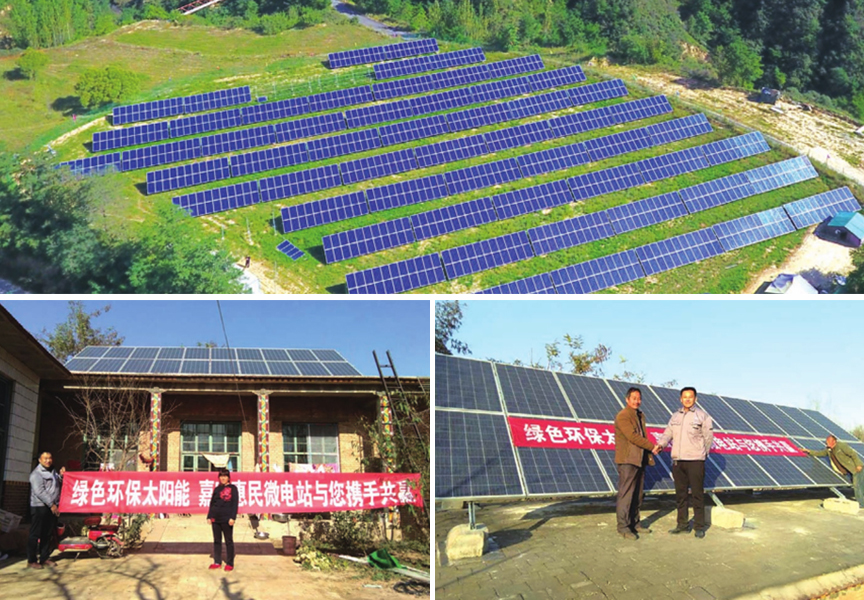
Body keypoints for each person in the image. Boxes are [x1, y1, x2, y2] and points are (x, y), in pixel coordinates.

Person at [653, 387, 714, 538]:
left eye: (690, 397)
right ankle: (682, 525)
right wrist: (661, 444)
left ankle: (699, 526)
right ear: (681, 399)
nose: (687, 399)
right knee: (681, 495)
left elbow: (708, 437)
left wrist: (702, 454)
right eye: (684, 397)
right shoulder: (675, 416)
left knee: (697, 494)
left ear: (695, 399)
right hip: (678, 461)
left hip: (695, 461)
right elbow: (668, 433)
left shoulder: (702, 416)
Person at [614, 387, 657, 540]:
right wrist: (652, 447)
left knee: (637, 494)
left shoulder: (639, 415)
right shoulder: (623, 416)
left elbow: (642, 435)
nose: (637, 401)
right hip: (628, 460)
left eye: (639, 398)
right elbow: (632, 436)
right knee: (626, 495)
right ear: (627, 399)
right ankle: (623, 527)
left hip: (639, 460)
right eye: (634, 398)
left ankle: (635, 523)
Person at [803, 435, 864, 507]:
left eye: (828, 442)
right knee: (859, 486)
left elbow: (853, 454)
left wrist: (858, 464)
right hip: (848, 471)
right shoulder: (829, 450)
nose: (826, 443)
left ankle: (861, 504)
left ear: (834, 441)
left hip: (855, 468)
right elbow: (820, 453)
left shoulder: (841, 446)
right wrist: (809, 451)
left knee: (857, 486)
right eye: (826, 442)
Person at [28, 452, 65, 569]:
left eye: (49, 458)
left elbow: (56, 484)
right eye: (45, 458)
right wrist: (51, 504)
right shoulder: (36, 474)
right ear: (40, 460)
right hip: (39, 507)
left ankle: (44, 558)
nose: (48, 460)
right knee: (35, 534)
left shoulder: (53, 471)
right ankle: (31, 560)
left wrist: (61, 476)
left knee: (47, 534)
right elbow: (40, 492)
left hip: (51, 507)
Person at [207, 468, 238, 571]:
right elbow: (212, 503)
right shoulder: (217, 489)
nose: (223, 478)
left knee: (228, 541)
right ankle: (217, 562)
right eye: (221, 476)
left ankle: (230, 563)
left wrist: (233, 517)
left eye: (225, 476)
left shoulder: (233, 488)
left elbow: (234, 504)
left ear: (228, 477)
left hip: (227, 519)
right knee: (217, 541)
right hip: (216, 519)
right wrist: (209, 516)